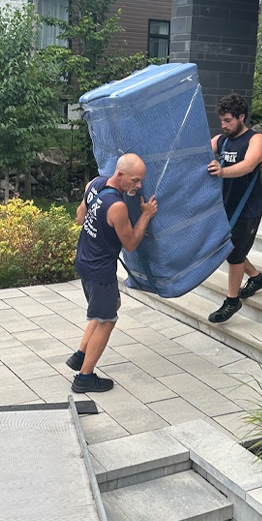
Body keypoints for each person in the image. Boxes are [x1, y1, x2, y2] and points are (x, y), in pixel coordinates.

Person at [66, 153, 157, 392]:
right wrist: (146, 215)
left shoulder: (93, 184)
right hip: (100, 271)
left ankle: (80, 355)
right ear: (120, 175)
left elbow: (79, 217)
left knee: (109, 306)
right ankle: (84, 379)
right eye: (135, 181)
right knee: (107, 320)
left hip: (84, 262)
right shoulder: (117, 206)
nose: (138, 186)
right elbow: (130, 244)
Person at [206, 93, 262, 323]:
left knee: (235, 254)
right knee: (230, 249)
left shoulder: (255, 139)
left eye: (228, 120)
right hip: (226, 205)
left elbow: (249, 164)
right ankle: (256, 278)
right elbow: (200, 152)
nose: (223, 125)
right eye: (222, 120)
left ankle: (232, 301)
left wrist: (221, 171)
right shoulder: (221, 140)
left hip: (247, 208)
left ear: (241, 117)